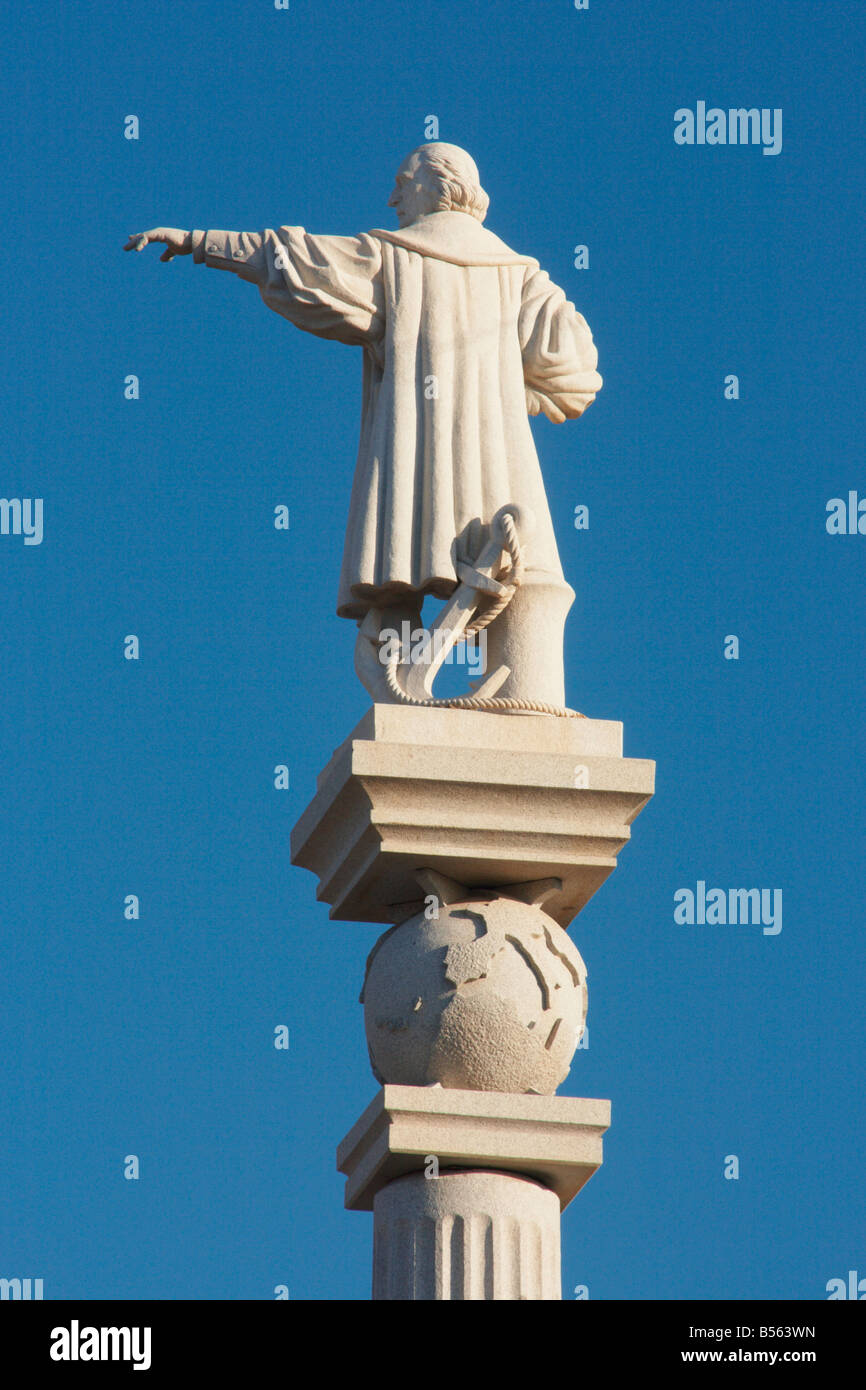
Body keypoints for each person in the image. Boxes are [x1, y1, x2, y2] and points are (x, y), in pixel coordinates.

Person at [125, 143, 602, 708]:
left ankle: (428, 679)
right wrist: (502, 392)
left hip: (414, 454)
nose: (392, 196)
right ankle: (515, 693)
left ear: (437, 186)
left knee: (410, 570)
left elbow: (296, 261)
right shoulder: (523, 278)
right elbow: (574, 370)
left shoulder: (393, 258)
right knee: (525, 577)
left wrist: (199, 242)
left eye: (402, 183)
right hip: (503, 465)